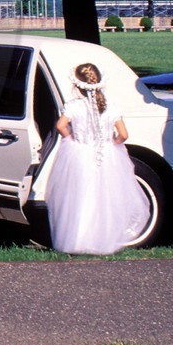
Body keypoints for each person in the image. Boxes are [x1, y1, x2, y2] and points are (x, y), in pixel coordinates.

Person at [45, 62, 151, 255]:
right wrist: (112, 142)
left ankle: (78, 239)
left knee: (80, 196)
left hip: (81, 153)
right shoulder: (110, 107)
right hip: (107, 155)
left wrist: (72, 138)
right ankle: (104, 239)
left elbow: (61, 125)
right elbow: (124, 134)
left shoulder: (74, 106)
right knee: (105, 196)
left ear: (77, 85)